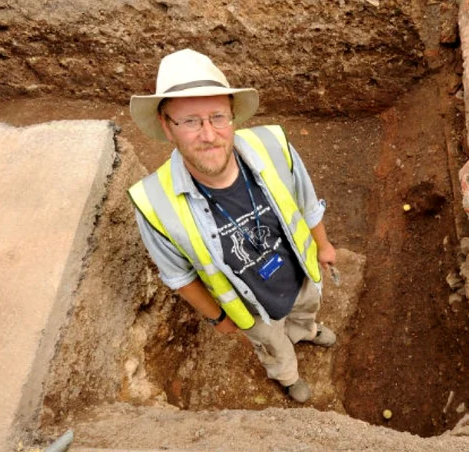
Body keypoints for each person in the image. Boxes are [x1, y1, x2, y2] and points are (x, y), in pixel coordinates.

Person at [128, 48, 337, 403]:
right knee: (272, 344)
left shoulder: (274, 146)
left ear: (233, 116)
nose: (209, 134)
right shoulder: (154, 203)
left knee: (305, 309)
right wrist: (217, 317)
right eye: (190, 121)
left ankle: (305, 332)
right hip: (251, 305)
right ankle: (287, 375)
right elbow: (179, 277)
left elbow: (306, 201)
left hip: (300, 275)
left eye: (217, 117)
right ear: (166, 126)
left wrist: (324, 246)